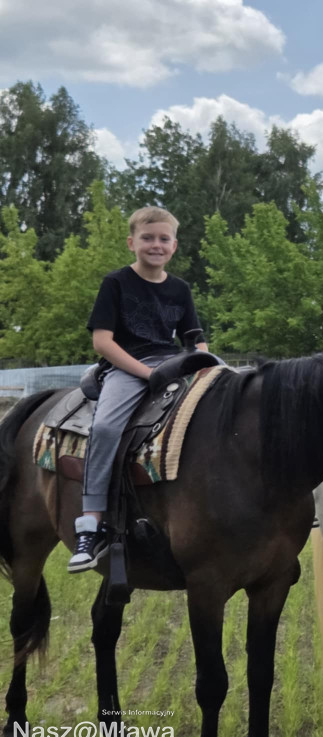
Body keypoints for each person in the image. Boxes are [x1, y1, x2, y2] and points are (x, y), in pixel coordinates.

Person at [69, 206, 213, 573]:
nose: (156, 244)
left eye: (163, 238)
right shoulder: (115, 283)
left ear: (174, 245)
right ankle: (91, 524)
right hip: (127, 366)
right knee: (104, 428)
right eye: (148, 238)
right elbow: (103, 342)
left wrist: (207, 364)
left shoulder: (180, 288)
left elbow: (194, 338)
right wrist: (147, 376)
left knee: (236, 397)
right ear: (132, 242)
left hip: (173, 361)